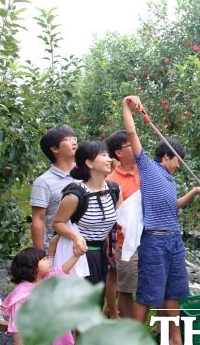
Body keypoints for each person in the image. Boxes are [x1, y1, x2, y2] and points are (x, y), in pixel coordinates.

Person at [123, 95, 200, 345]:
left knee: (173, 294)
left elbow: (173, 206)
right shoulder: (148, 167)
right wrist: (126, 106)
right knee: (147, 297)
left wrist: (194, 192)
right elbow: (131, 132)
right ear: (166, 157)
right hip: (155, 242)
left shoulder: (169, 180)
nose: (178, 166)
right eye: (177, 161)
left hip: (174, 241)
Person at [52, 141, 121, 306]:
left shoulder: (113, 190)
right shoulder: (76, 195)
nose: (109, 159)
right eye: (103, 155)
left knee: (95, 304)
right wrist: (75, 237)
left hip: (100, 255)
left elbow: (121, 218)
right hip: (77, 256)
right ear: (89, 163)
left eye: (108, 155)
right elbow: (58, 223)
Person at [1, 246, 84, 345]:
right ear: (32, 267)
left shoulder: (47, 278)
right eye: (43, 259)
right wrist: (18, 341)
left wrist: (76, 256)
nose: (48, 261)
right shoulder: (22, 293)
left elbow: (63, 269)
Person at [106, 130, 141, 320]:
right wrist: (109, 246)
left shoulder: (144, 171)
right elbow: (110, 218)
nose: (136, 146)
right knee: (126, 288)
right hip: (126, 243)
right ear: (118, 152)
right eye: (130, 144)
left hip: (150, 239)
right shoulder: (111, 182)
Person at [30, 125, 77, 251]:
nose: (74, 142)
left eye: (74, 138)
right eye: (68, 139)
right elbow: (38, 220)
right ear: (55, 149)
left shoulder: (88, 173)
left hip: (88, 246)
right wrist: (39, 256)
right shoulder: (43, 182)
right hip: (56, 248)